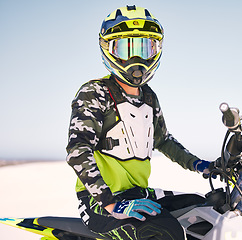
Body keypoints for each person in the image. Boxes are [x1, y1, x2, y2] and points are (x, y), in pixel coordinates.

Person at [66, 5, 212, 240]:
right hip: (99, 202)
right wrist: (111, 204)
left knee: (204, 208)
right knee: (166, 232)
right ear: (108, 49)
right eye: (126, 49)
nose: (136, 59)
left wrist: (200, 164)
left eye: (145, 48)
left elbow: (163, 141)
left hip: (139, 194)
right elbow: (77, 150)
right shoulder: (95, 92)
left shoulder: (149, 96)